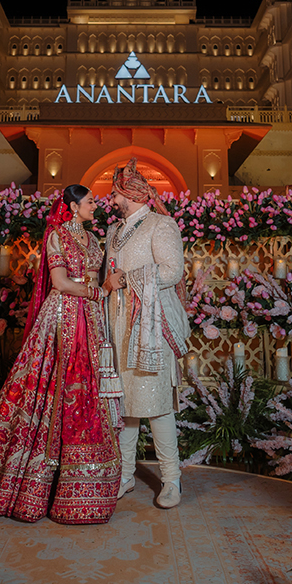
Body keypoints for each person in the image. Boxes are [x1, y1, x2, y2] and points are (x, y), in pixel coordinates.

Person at [0, 185, 122, 524]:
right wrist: (99, 291)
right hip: (63, 317)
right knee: (47, 392)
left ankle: (77, 487)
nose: (96, 205)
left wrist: (102, 291)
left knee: (86, 393)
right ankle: (33, 486)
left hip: (90, 317)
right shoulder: (57, 236)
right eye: (90, 201)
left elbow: (97, 275)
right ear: (74, 206)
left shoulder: (93, 239)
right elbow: (60, 283)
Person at [103, 158, 191, 508]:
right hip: (117, 326)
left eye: (114, 195)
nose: (110, 201)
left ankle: (172, 480)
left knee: (155, 405)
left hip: (150, 327)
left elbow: (172, 271)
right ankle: (125, 475)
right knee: (125, 406)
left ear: (131, 194)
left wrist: (125, 279)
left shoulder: (161, 225)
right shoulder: (114, 231)